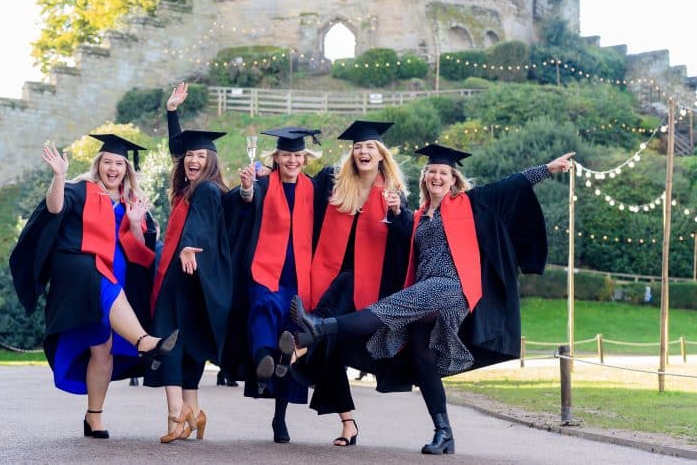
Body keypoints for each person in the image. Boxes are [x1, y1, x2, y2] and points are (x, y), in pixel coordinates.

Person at [289, 144, 575, 454]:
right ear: (425, 177)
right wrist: (396, 214)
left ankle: (320, 327)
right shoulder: (419, 217)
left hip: (451, 288)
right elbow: (401, 246)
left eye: (443, 173)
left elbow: (510, 185)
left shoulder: (469, 202)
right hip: (424, 291)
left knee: (391, 308)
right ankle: (444, 433)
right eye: (432, 172)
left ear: (453, 179)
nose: (437, 177)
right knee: (422, 358)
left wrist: (547, 169)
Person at [10, 135, 178, 439]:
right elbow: (54, 208)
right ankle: (143, 341)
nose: (113, 168)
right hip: (82, 274)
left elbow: (141, 252)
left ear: (126, 169)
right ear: (98, 164)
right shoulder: (80, 190)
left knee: (103, 350)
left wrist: (136, 222)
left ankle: (94, 417)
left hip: (119, 278)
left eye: (119, 164)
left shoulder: (132, 202)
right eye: (107, 162)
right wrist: (59, 176)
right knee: (99, 282)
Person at [298, 120, 413, 446]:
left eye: (369, 147)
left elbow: (407, 239)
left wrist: (398, 214)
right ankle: (348, 423)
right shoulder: (333, 182)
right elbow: (301, 190)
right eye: (358, 147)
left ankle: (297, 346)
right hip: (327, 276)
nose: (363, 151)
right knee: (328, 343)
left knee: (328, 313)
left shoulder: (394, 193)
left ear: (381, 154)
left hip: (369, 288)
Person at [144, 83, 232, 444]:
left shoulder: (207, 189)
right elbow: (176, 150)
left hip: (182, 275)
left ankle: (175, 415)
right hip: (189, 279)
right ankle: (193, 412)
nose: (193, 160)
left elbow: (199, 225)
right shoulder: (186, 190)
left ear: (212, 161)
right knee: (188, 343)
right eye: (189, 156)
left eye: (200, 156)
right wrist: (172, 113)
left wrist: (187, 247)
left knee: (167, 341)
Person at [222, 126, 322, 443]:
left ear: (305, 158)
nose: (292, 161)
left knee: (290, 336)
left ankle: (280, 416)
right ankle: (263, 358)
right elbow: (245, 200)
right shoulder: (264, 183)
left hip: (299, 278)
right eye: (286, 155)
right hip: (265, 270)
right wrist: (247, 188)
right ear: (276, 158)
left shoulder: (314, 189)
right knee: (263, 307)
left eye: (297, 155)